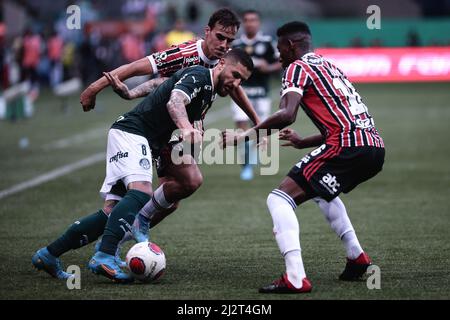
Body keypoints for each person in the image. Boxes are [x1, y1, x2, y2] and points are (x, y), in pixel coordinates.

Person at [29, 8, 259, 281]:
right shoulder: (188, 58)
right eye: (220, 38)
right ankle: (109, 250)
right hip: (141, 132)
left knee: (125, 209)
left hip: (157, 135)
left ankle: (50, 253)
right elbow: (158, 84)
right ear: (207, 32)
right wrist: (95, 88)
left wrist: (259, 123)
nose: (224, 45)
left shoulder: (218, 71)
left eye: (230, 42)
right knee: (148, 192)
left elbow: (163, 84)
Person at [223, 21, 385, 293]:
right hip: (372, 146)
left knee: (279, 198)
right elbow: (345, 122)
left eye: (280, 49)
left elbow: (287, 114)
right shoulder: (329, 65)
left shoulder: (296, 67)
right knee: (322, 192)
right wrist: (303, 142)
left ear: (291, 45)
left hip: (346, 145)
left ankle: (296, 277)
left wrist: (245, 135)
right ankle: (357, 257)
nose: (278, 55)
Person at [230, 10, 281, 180]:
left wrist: (268, 67)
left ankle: (254, 158)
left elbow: (280, 62)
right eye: (247, 20)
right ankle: (246, 166)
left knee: (259, 130)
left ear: (258, 23)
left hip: (262, 94)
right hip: (240, 93)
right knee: (242, 128)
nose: (250, 23)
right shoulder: (236, 45)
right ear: (243, 23)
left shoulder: (266, 43)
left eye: (253, 20)